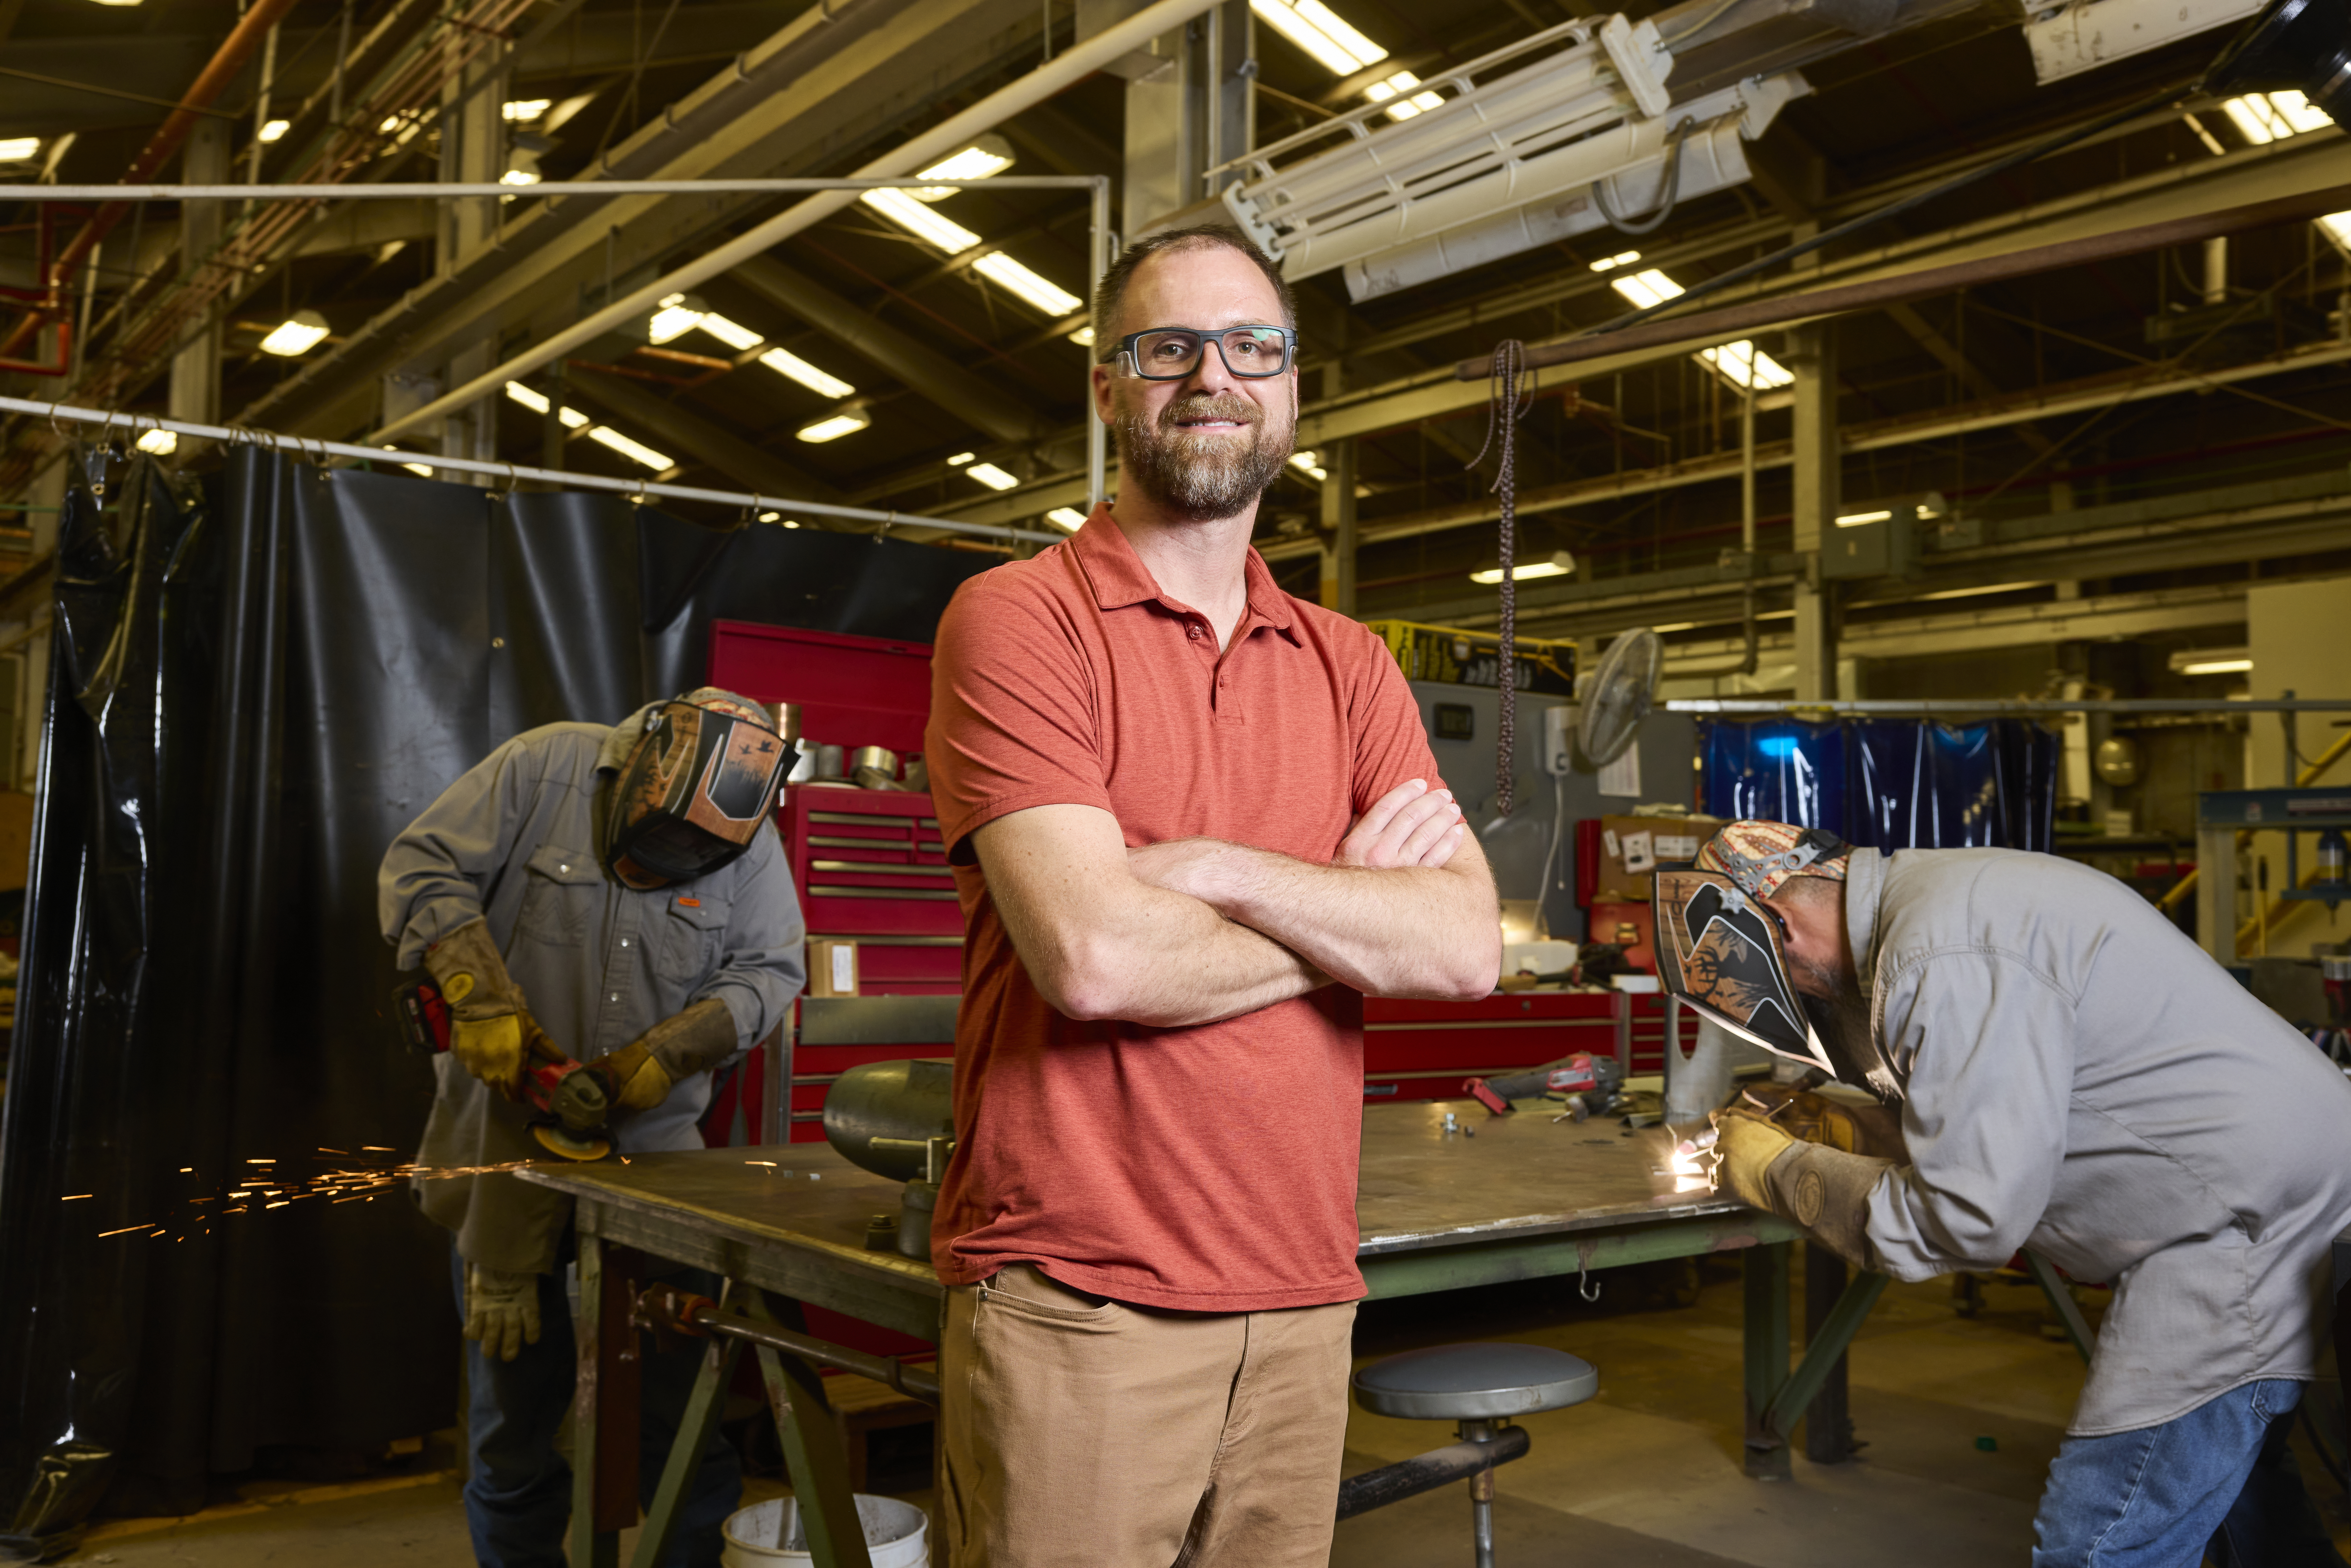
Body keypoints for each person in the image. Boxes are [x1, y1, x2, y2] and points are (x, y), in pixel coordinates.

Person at [922, 224, 1502, 1567]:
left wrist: (1224, 872)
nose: (1211, 378)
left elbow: (1465, 946)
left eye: (1252, 346)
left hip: (1303, 1298)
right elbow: (1095, 959)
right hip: (1083, 1301)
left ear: (1292, 386)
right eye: (1166, 347)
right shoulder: (1018, 620)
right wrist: (1356, 912)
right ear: (1107, 387)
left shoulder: (1350, 664)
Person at [1670, 820, 2351, 1568]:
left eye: (1785, 974)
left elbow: (1968, 1218)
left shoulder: (1938, 952)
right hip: (2281, 1195)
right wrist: (1854, 1128)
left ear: (1781, 927)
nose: (1800, 994)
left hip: (2244, 1234)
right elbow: (2012, 1116)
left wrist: (1774, 1170)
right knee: (2250, 1511)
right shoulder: (1943, 902)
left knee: (2099, 1547)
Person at [378, 689, 804, 1568]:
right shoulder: (545, 768)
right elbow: (422, 864)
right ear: (641, 767)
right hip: (502, 1165)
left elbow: (770, 970)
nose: (662, 870)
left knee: (681, 1433)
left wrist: (670, 1052)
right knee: (514, 1443)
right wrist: (476, 990)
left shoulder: (748, 839)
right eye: (649, 850)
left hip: (656, 1174)